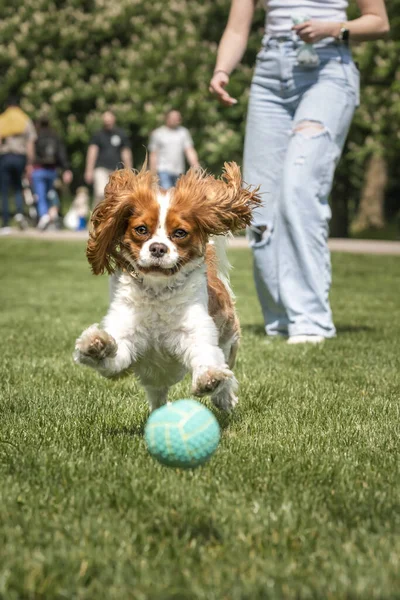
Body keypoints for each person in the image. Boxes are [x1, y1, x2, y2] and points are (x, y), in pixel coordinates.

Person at [209, 0, 389, 344]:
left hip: (328, 71)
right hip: (269, 79)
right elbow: (236, 28)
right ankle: (281, 319)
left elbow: (378, 22)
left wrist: (332, 28)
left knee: (299, 189)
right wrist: (221, 71)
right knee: (258, 206)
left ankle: (311, 321)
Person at [0, 96, 36, 234]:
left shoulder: (2, 118)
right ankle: (20, 214)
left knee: (4, 190)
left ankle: (5, 222)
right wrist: (30, 162)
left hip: (5, 156)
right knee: (18, 187)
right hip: (20, 157)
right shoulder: (24, 119)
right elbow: (30, 142)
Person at [31, 116, 73, 230]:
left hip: (38, 169)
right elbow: (61, 154)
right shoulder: (55, 137)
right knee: (51, 194)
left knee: (40, 194)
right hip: (52, 170)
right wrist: (66, 169)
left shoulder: (36, 136)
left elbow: (31, 153)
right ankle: (53, 216)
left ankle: (44, 215)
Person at [84, 111, 132, 207]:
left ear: (114, 119)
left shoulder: (121, 134)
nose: (107, 121)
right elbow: (92, 152)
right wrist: (89, 170)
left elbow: (126, 152)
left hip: (117, 170)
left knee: (116, 196)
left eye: (109, 119)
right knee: (100, 193)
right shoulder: (98, 135)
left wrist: (129, 170)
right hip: (101, 168)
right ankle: (96, 219)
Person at [149, 110, 200, 189]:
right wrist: (153, 173)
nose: (176, 120)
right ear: (167, 119)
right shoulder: (158, 133)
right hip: (163, 170)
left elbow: (189, 150)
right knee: (167, 193)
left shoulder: (183, 132)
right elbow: (153, 154)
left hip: (179, 171)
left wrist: (195, 165)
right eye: (173, 118)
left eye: (178, 118)